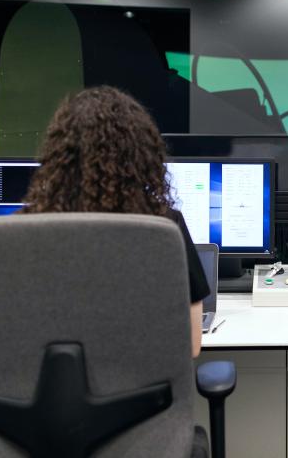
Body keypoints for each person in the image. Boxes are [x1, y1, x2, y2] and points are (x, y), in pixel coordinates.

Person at [20, 86, 209, 356]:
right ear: (141, 156)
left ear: (58, 155)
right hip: (140, 395)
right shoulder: (164, 229)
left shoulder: (23, 233)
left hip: (46, 395)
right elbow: (190, 346)